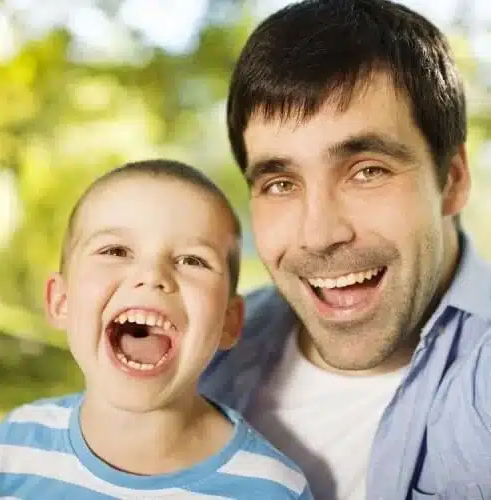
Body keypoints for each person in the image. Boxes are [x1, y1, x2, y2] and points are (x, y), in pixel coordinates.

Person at [200, 1, 491, 499]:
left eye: (367, 171)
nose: (319, 234)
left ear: (452, 180)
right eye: (280, 183)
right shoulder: (208, 357)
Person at [0, 160, 314, 499]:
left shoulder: (272, 488)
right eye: (116, 250)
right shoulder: (14, 445)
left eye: (192, 260)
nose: (153, 275)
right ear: (61, 301)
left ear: (229, 321)